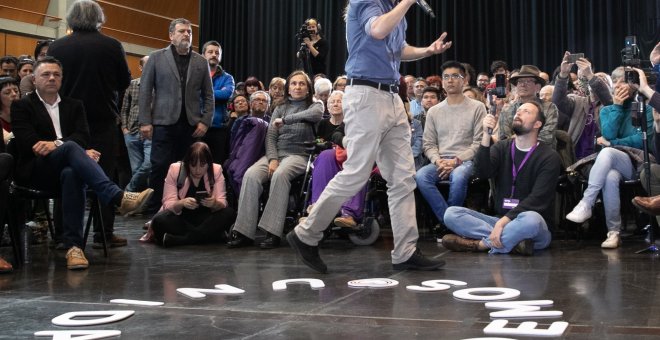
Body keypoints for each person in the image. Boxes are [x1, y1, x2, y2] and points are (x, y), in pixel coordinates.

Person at [287, 0, 452, 274]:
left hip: (391, 96)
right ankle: (306, 233)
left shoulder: (391, 8)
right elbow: (377, 30)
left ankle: (405, 251)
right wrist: (408, 2)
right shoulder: (366, 1)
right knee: (356, 172)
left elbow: (398, 50)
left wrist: (427, 50)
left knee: (403, 177)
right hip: (365, 94)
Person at [11, 57, 152, 270]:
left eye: (56, 75)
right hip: (37, 170)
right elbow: (27, 142)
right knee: (70, 149)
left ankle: (74, 249)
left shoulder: (74, 105)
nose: (52, 78)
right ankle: (117, 196)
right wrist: (66, 146)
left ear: (62, 79)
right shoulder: (22, 106)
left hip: (68, 167)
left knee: (72, 173)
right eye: (46, 74)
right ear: (34, 79)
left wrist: (56, 144)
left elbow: (83, 137)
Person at [48, 0, 132, 248]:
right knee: (104, 174)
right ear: (99, 18)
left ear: (71, 18)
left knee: (67, 175)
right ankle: (103, 233)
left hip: (67, 121)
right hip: (102, 120)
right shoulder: (112, 45)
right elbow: (123, 82)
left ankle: (63, 233)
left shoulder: (57, 46)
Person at [442, 102, 560, 255]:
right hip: (499, 221)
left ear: (537, 123)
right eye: (518, 110)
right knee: (451, 213)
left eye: (526, 112)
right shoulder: (502, 147)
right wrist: (486, 134)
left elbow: (538, 199)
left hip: (532, 224)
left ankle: (480, 245)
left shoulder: (549, 156)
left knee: (531, 219)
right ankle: (515, 242)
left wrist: (504, 222)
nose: (518, 113)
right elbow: (481, 172)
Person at [228, 70, 323, 250]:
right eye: (294, 83)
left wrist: (286, 120)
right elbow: (270, 136)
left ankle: (273, 232)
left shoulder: (314, 105)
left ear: (308, 88)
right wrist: (272, 158)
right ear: (288, 88)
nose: (297, 87)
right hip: (277, 154)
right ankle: (244, 231)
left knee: (280, 175)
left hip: (300, 155)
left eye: (301, 83)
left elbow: (315, 116)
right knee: (251, 175)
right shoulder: (279, 107)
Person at [565, 66, 654, 249]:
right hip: (617, 163)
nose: (620, 86)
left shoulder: (646, 107)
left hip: (641, 161)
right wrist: (618, 108)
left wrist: (613, 144)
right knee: (610, 176)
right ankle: (614, 232)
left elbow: (641, 140)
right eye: (617, 82)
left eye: (625, 81)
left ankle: (587, 201)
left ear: (635, 84)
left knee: (607, 152)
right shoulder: (608, 110)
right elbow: (609, 133)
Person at [138, 18, 214, 214]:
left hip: (191, 125)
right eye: (182, 31)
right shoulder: (155, 58)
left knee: (187, 169)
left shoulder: (201, 61)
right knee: (159, 166)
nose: (186, 34)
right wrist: (145, 121)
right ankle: (155, 211)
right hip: (162, 123)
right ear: (171, 35)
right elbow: (145, 91)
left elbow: (209, 95)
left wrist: (205, 121)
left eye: (189, 32)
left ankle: (182, 210)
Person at [416, 61, 486, 227]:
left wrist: (456, 161)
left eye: (455, 76)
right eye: (446, 77)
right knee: (421, 176)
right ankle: (449, 221)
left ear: (464, 80)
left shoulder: (478, 107)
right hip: (441, 161)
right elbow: (428, 144)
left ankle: (448, 222)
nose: (450, 80)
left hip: (466, 160)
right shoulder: (434, 111)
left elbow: (478, 143)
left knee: (459, 175)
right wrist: (437, 160)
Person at [148, 142, 235, 247]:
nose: (198, 170)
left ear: (209, 163)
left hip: (206, 218)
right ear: (187, 162)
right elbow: (167, 203)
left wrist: (214, 203)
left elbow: (222, 202)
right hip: (181, 218)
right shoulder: (175, 169)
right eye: (193, 165)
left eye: (202, 165)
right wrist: (181, 203)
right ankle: (213, 237)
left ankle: (182, 240)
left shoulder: (216, 170)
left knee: (230, 213)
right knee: (159, 220)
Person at [553, 52, 613, 160]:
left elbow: (607, 98)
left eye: (602, 81)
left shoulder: (609, 105)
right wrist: (563, 74)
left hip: (602, 157)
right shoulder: (577, 101)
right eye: (594, 80)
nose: (594, 82)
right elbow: (558, 103)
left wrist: (590, 75)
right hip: (576, 157)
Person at [497, 65, 558, 148]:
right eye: (520, 81)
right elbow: (504, 139)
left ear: (538, 87)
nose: (522, 85)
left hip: (542, 154)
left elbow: (547, 137)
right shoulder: (507, 109)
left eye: (528, 81)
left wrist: (518, 138)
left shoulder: (549, 107)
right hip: (513, 154)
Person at [121, 56, 151, 193]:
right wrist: (124, 129)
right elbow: (124, 109)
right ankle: (137, 204)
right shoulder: (132, 85)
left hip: (150, 133)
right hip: (131, 132)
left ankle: (126, 193)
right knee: (136, 169)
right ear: (140, 67)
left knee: (148, 166)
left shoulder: (159, 86)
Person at [202, 40, 235, 165]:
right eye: (210, 52)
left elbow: (226, 94)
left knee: (217, 166)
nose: (214, 55)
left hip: (219, 129)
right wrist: (216, 92)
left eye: (217, 53)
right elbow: (192, 95)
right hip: (198, 127)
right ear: (203, 55)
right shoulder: (196, 75)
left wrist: (204, 92)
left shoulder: (228, 78)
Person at [1, 77, 19, 145]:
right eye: (7, 92)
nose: (14, 94)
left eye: (16, 91)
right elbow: (6, 140)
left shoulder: (26, 112)